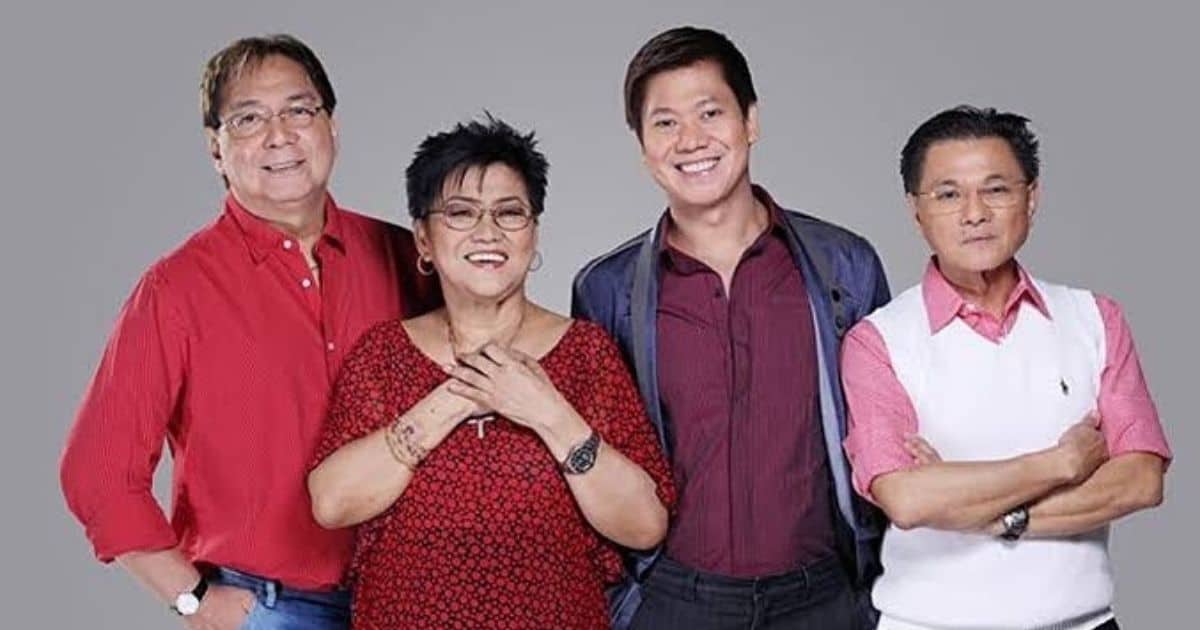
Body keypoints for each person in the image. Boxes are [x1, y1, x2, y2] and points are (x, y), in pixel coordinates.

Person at [59, 34, 438, 629]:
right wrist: (193, 600)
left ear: (332, 127)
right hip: (269, 609)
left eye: (299, 110)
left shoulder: (406, 257)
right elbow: (98, 473)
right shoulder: (176, 289)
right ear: (217, 149)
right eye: (249, 119)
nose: (279, 135)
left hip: (416, 602)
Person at [572, 26, 889, 630]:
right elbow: (597, 460)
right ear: (642, 147)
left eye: (710, 113)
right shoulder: (606, 290)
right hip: (673, 602)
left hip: (824, 600)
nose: (691, 139)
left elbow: (885, 436)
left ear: (751, 121)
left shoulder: (844, 264)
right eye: (665, 123)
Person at [307, 115, 675, 629]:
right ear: (423, 239)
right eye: (460, 213)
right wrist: (459, 394)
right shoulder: (383, 355)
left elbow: (645, 525)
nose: (488, 232)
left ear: (534, 234)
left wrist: (548, 413)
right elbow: (332, 503)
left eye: (510, 213)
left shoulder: (586, 353)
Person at [841, 105, 1172, 630]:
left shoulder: (1094, 318)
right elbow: (906, 498)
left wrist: (992, 513)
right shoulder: (877, 342)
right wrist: (1061, 464)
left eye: (996, 190)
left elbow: (1140, 480)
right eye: (948, 194)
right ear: (916, 211)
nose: (974, 213)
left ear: (1031, 198)